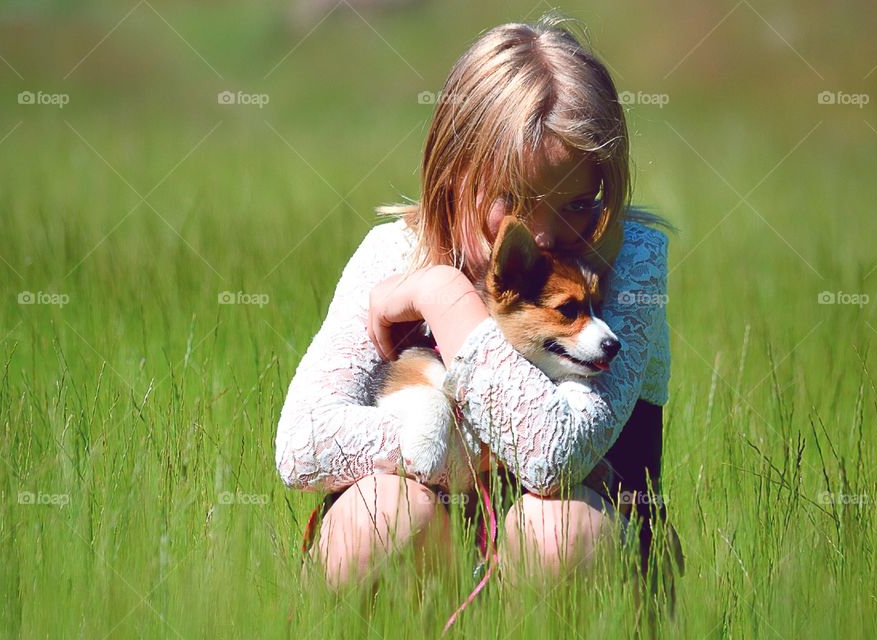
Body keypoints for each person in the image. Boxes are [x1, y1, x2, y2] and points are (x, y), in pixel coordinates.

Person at [275, 11, 679, 597]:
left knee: (558, 529)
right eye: (512, 198)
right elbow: (301, 445)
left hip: (580, 554)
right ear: (452, 176)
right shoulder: (395, 255)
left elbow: (553, 456)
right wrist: (452, 456)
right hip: (423, 558)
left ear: (608, 188)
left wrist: (445, 300)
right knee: (386, 515)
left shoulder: (631, 259)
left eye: (579, 203)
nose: (542, 235)